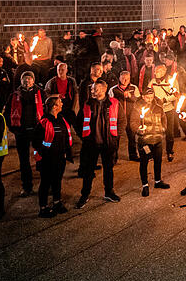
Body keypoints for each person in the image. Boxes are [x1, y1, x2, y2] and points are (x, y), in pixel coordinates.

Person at [76, 79, 122, 208]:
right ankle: (84, 195)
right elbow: (78, 122)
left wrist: (115, 138)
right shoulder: (87, 104)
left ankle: (109, 192)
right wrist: (84, 137)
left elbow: (121, 121)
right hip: (91, 144)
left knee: (108, 169)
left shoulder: (114, 103)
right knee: (88, 171)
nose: (92, 91)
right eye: (92, 89)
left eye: (95, 89)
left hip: (108, 143)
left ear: (103, 90)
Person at [4, 70, 44, 197]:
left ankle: (45, 184)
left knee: (42, 158)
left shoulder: (41, 93)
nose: (27, 81)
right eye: (24, 79)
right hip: (21, 132)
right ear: (21, 81)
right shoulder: (14, 95)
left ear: (33, 80)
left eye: (29, 79)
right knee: (24, 161)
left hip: (37, 131)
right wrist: (14, 129)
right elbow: (7, 113)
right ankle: (27, 187)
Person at [36, 96, 73, 217]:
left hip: (60, 158)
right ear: (54, 107)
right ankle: (43, 208)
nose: (62, 104)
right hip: (47, 159)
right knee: (45, 183)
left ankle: (57, 203)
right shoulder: (44, 122)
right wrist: (43, 154)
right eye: (60, 102)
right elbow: (36, 142)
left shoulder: (62, 119)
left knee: (57, 181)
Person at [135, 89, 169, 197]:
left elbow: (164, 119)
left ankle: (158, 181)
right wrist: (138, 129)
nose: (150, 99)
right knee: (144, 163)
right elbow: (133, 122)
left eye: (152, 97)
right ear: (143, 97)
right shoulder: (137, 108)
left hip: (158, 140)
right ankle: (145, 185)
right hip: (145, 141)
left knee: (158, 161)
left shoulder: (158, 107)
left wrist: (163, 128)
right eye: (148, 97)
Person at [110, 71, 141, 162]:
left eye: (127, 78)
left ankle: (133, 155)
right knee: (116, 137)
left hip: (130, 116)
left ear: (130, 78)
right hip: (118, 118)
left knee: (132, 137)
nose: (125, 80)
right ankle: (113, 157)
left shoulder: (134, 88)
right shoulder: (113, 89)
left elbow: (138, 100)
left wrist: (130, 96)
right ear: (119, 78)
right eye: (123, 78)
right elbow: (110, 102)